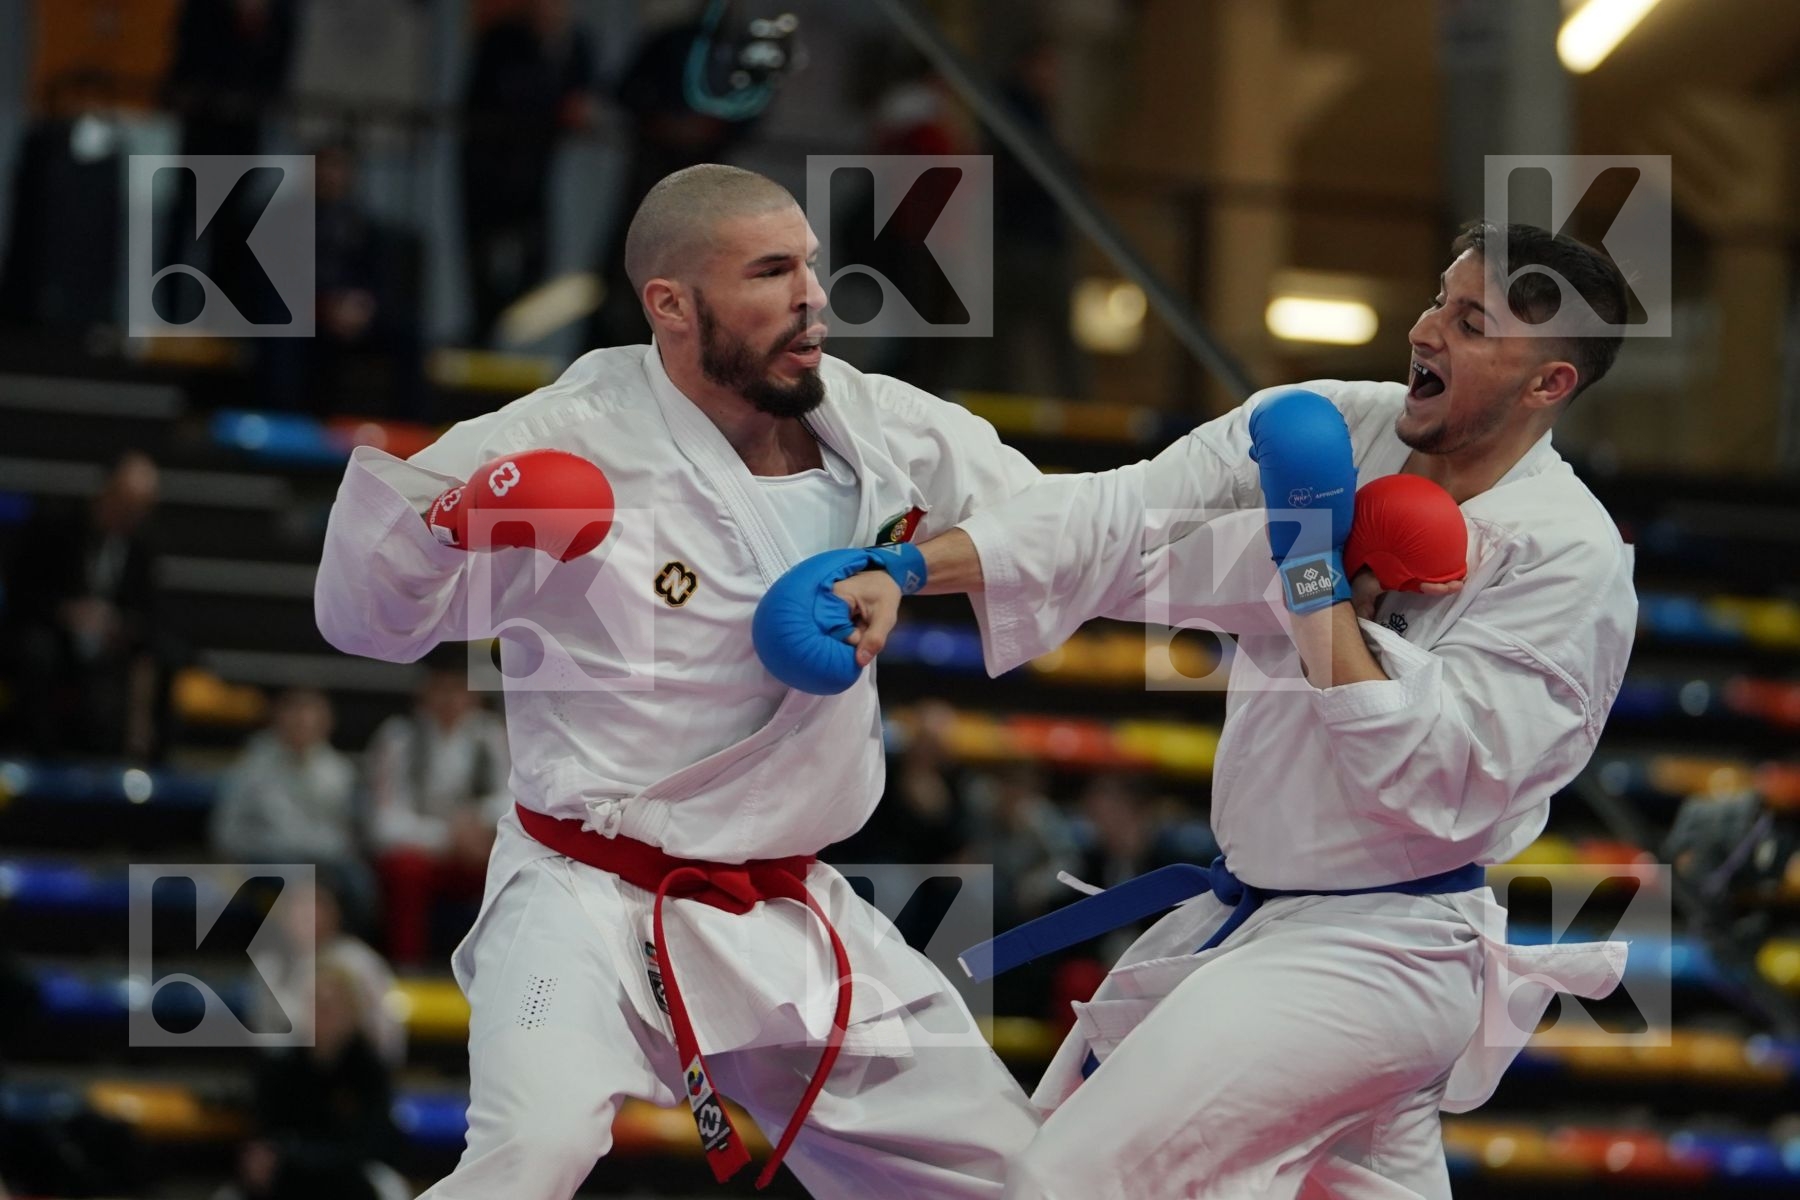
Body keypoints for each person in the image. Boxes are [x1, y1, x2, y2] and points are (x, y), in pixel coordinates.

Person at [811, 222, 1640, 1198]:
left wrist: (1313, 581)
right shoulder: (1339, 425)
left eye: (1470, 322)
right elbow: (1122, 516)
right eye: (1438, 299)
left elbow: (1433, 778)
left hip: (1379, 955)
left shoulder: (1568, 560)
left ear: (1548, 385)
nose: (1426, 331)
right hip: (1261, 919)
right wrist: (905, 566)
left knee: (1066, 1182)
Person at [313, 163, 1043, 1199]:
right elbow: (358, 618)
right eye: (772, 271)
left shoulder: (880, 428)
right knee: (538, 1151)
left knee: (1011, 1170)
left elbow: (1060, 529)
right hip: (584, 896)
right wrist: (443, 529)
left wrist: (1284, 540)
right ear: (671, 304)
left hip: (787, 906)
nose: (813, 297)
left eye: (812, 267)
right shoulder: (563, 436)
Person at [2, 452, 165, 760]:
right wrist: (67, 612)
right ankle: (35, 754)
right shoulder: (55, 525)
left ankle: (130, 763)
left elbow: (148, 613)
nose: (135, 515)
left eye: (142, 508)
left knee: (162, 656)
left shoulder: (142, 547)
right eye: (129, 504)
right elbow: (21, 593)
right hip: (51, 633)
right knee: (37, 652)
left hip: (107, 644)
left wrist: (120, 625)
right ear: (109, 492)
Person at [459, 0, 598, 345]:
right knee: (483, 253)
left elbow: (586, 90)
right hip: (488, 163)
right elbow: (493, 95)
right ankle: (484, 331)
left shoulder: (578, 41)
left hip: (538, 167)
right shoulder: (504, 39)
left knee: (538, 258)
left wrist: (578, 109)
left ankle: (502, 325)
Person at [366, 663, 511, 966]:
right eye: (440, 688)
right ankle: (408, 966)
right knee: (405, 870)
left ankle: (499, 969)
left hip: (477, 849)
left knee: (516, 868)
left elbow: (512, 799)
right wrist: (447, 837)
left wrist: (478, 821)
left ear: (473, 695)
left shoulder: (493, 736)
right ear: (424, 693)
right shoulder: (398, 738)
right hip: (426, 851)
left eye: (458, 689)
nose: (449, 698)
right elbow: (384, 823)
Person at [209, 689, 375, 925]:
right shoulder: (250, 768)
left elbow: (350, 836)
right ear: (278, 718)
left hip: (327, 862)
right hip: (266, 860)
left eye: (310, 716)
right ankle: (294, 953)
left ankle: (343, 948)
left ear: (326, 723)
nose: (302, 722)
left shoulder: (339, 772)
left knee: (358, 882)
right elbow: (226, 832)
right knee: (298, 880)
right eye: (295, 715)